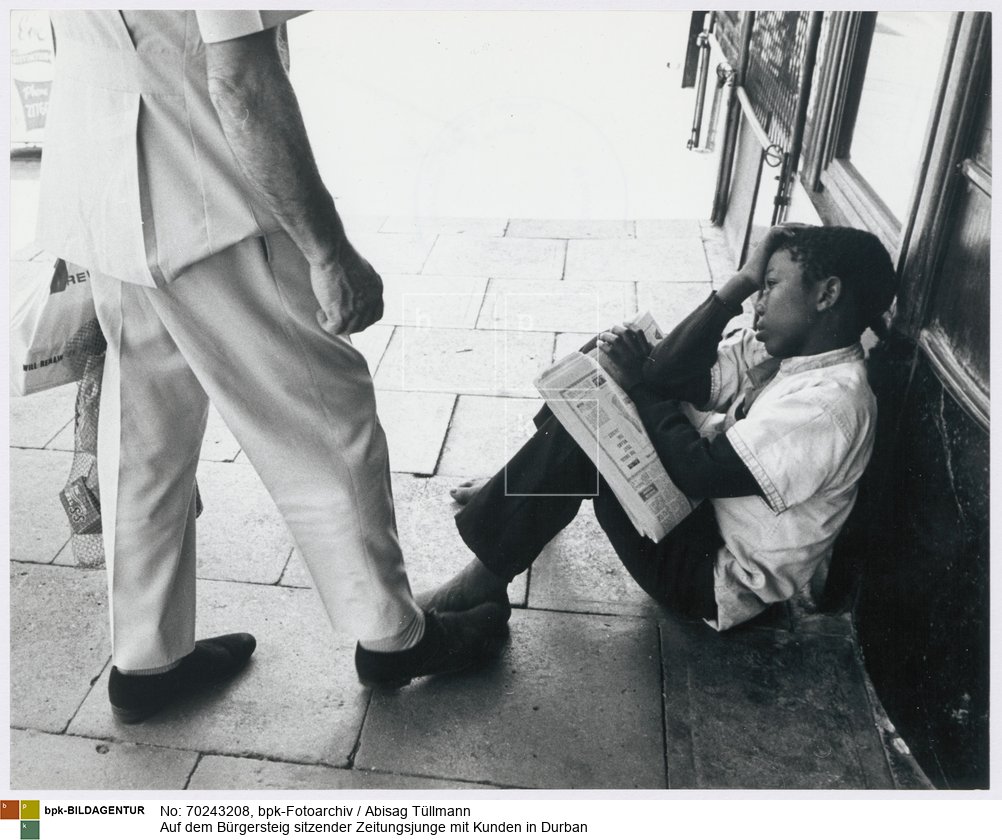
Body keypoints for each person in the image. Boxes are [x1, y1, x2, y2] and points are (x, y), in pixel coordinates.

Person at [35, 10, 506, 723]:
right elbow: (243, 82)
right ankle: (391, 635)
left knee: (145, 440)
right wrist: (328, 251)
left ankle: (147, 658)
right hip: (203, 197)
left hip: (102, 188)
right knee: (325, 418)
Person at [420, 225, 898, 632]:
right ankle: (529, 492)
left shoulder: (828, 403)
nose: (758, 302)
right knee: (607, 366)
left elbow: (700, 472)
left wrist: (639, 388)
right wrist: (737, 283)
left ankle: (486, 574)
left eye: (770, 285)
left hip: (709, 577)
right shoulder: (783, 352)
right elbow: (665, 372)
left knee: (599, 424)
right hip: (702, 521)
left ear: (827, 294)